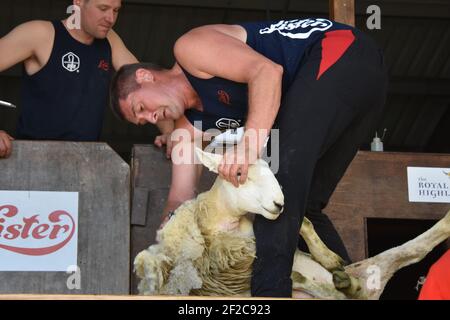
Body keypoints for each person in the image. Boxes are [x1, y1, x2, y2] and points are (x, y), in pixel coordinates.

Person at [110, 18, 388, 297]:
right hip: (366, 82)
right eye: (142, 120)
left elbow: (266, 72)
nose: (150, 118)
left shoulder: (189, 48)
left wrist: (247, 146)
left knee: (277, 186)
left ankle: (269, 295)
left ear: (145, 76)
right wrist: (167, 240)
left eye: (141, 107)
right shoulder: (187, 128)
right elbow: (180, 196)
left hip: (339, 50)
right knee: (305, 207)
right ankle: (354, 292)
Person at [0, 0, 171, 159]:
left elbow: (148, 90)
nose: (110, 18)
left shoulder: (110, 41)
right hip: (30, 161)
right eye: (103, 8)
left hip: (83, 165)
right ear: (79, 2)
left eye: (116, 10)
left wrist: (170, 132)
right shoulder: (40, 34)